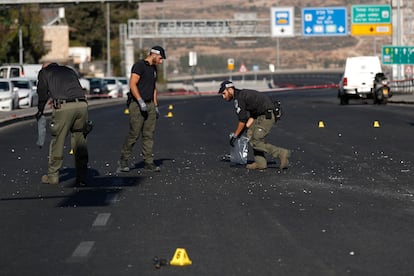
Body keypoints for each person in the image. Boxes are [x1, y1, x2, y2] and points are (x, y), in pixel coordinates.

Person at [36, 62, 89, 186]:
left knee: (58, 140)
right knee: (80, 141)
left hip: (64, 107)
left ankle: (53, 176)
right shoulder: (69, 70)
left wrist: (40, 110)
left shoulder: (44, 72)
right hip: (82, 105)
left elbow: (42, 92)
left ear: (44, 67)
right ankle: (82, 177)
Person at [218, 80, 290, 170]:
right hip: (259, 115)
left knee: (256, 139)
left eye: (224, 93)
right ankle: (260, 163)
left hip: (267, 115)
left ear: (230, 90)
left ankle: (281, 153)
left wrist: (235, 136)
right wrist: (243, 132)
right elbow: (252, 115)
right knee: (250, 135)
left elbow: (242, 120)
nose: (223, 96)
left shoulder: (239, 99)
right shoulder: (242, 95)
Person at [117, 45, 166, 172]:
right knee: (134, 134)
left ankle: (148, 162)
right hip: (137, 104)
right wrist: (140, 101)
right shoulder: (139, 66)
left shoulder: (154, 69)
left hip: (149, 104)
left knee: (148, 135)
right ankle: (123, 160)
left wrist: (155, 106)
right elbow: (132, 84)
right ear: (154, 55)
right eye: (160, 58)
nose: (161, 61)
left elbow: (153, 88)